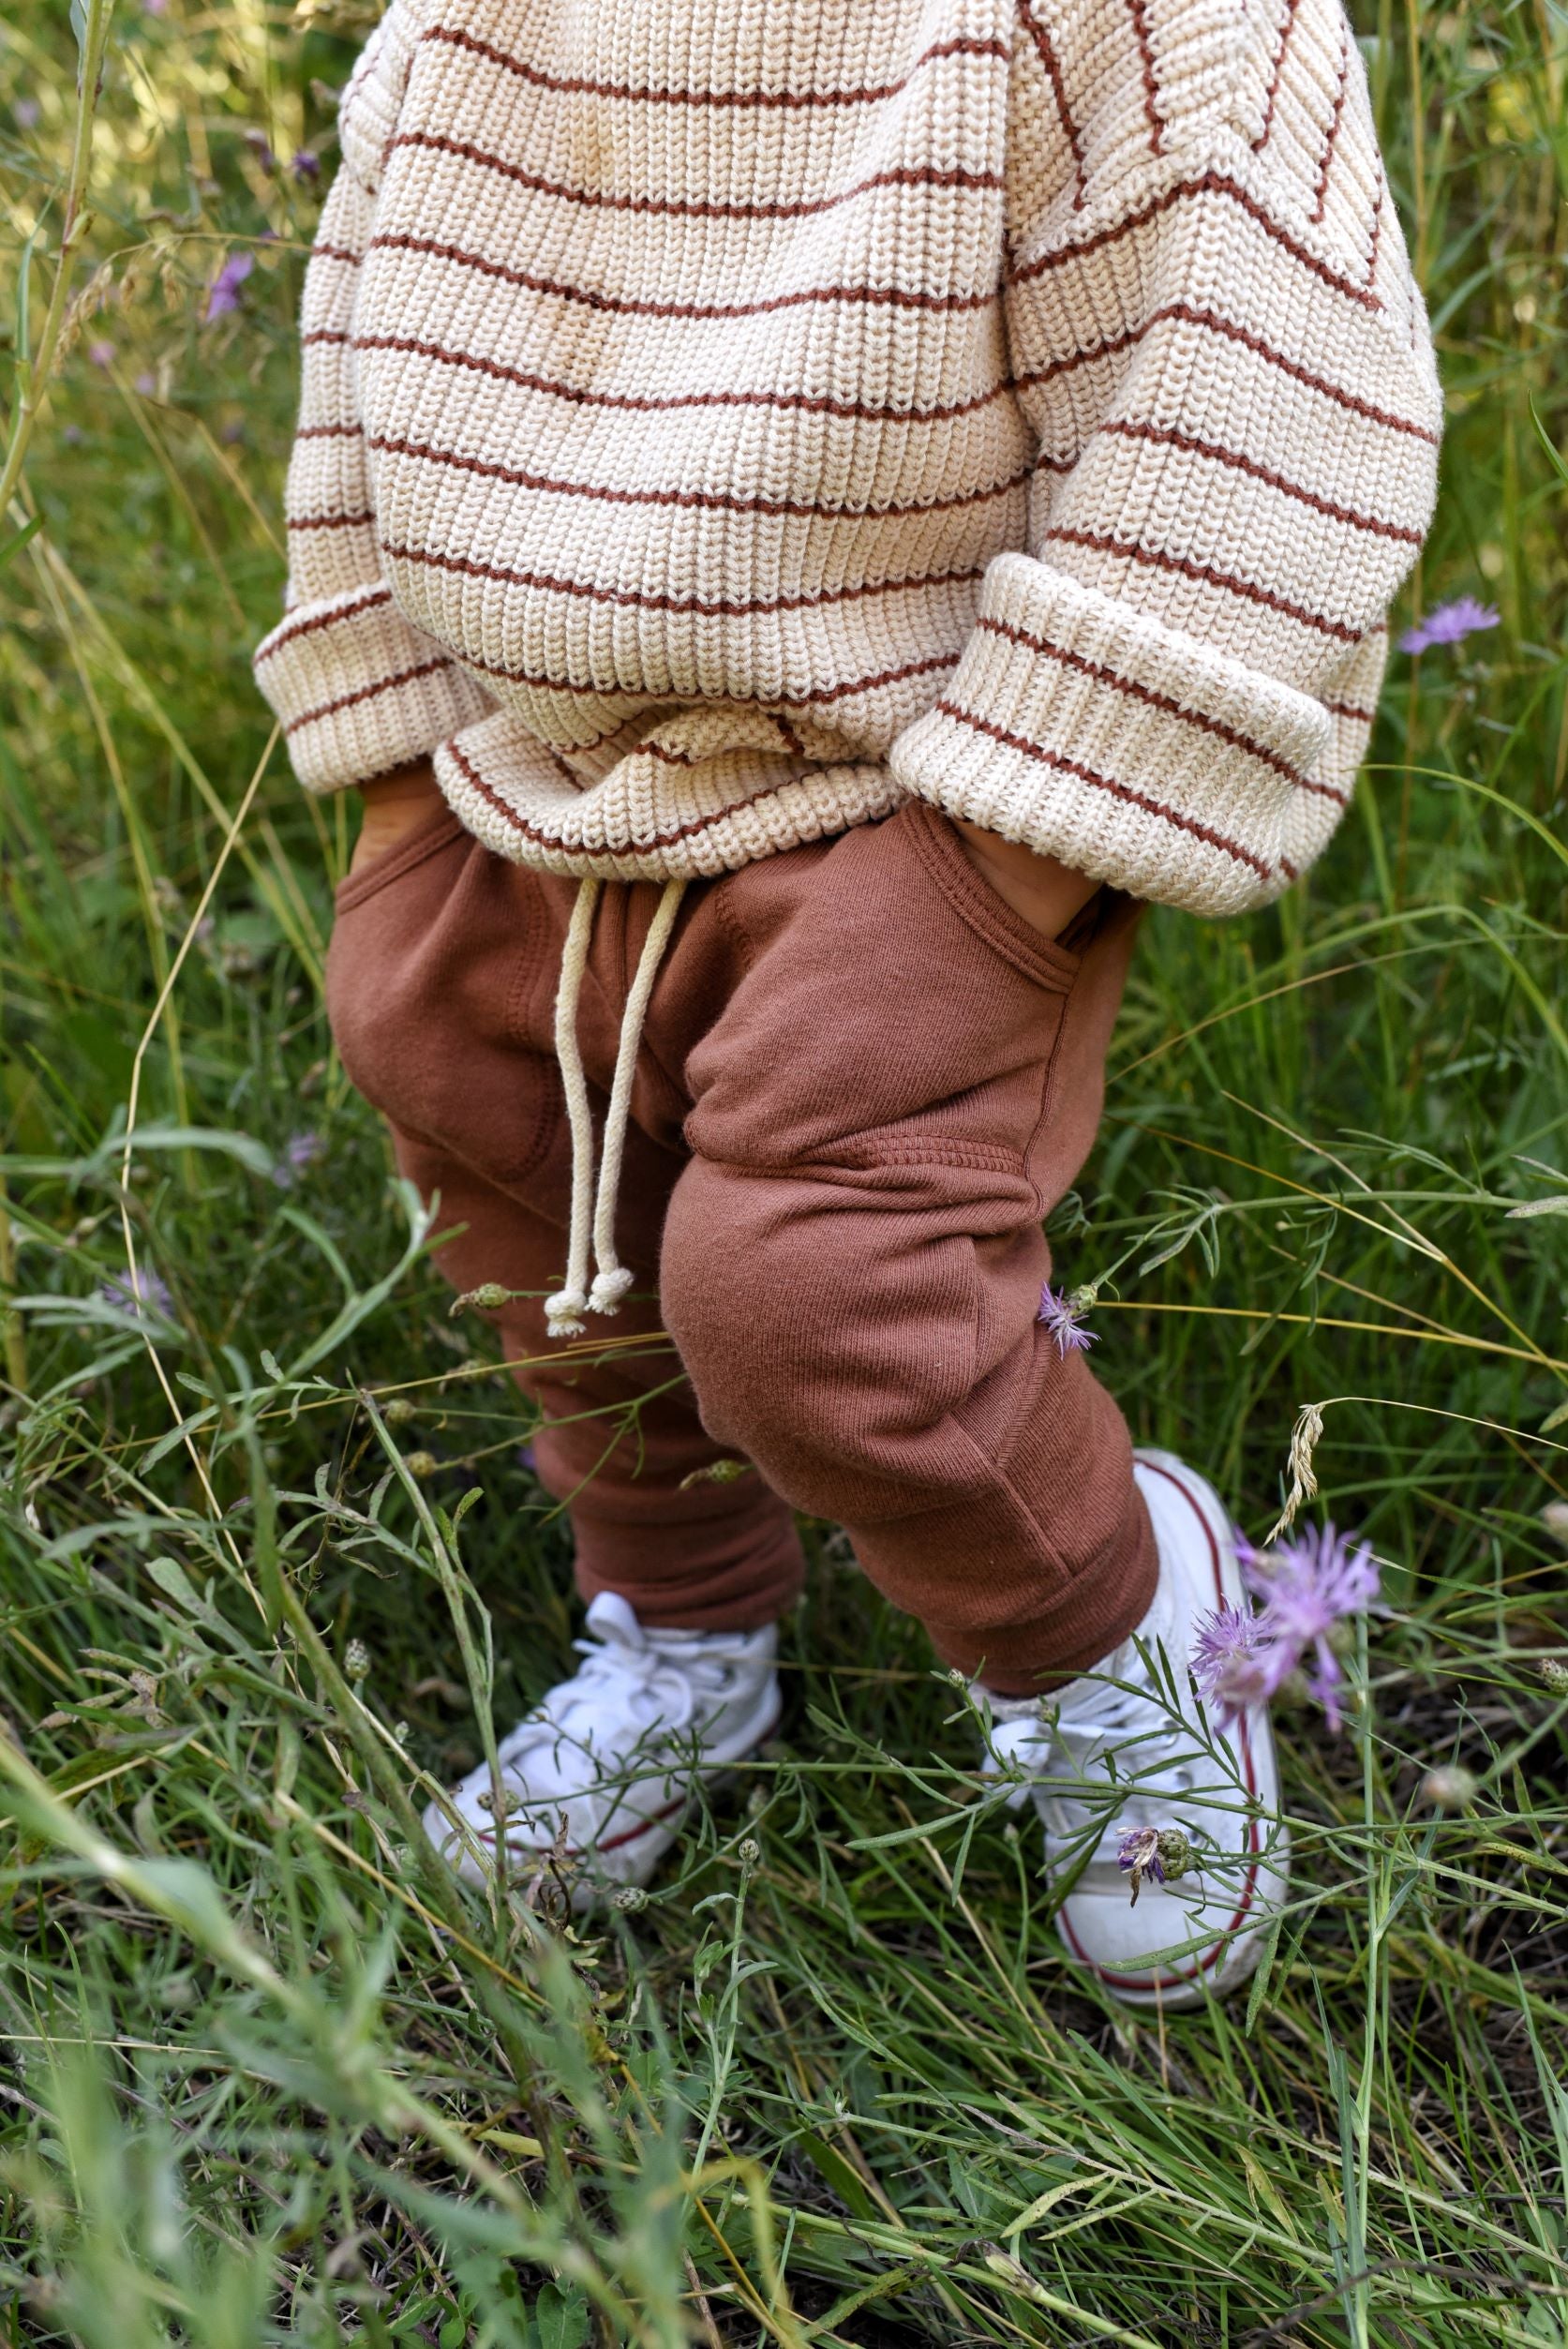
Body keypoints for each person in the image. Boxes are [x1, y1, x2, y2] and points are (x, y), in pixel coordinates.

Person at [256, 0, 1440, 2004]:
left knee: (814, 1293)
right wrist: (390, 788)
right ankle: (685, 1624)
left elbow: (1259, 389)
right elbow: (374, 339)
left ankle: (1110, 1615)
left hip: (931, 775)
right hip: (536, 749)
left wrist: (1004, 860)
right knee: (520, 1175)